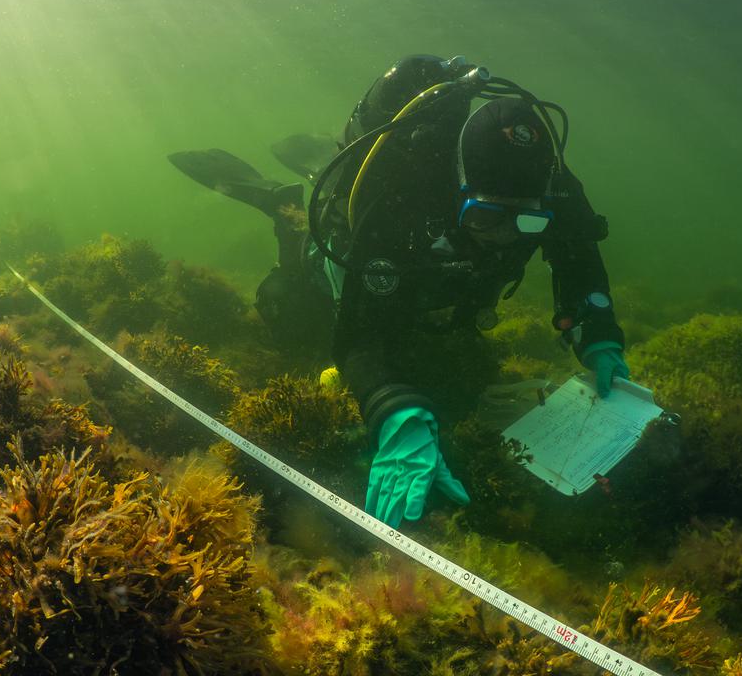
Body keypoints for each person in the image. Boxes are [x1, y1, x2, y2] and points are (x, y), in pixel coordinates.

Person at [168, 54, 629, 529]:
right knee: (295, 315)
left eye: (526, 221)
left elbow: (580, 259)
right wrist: (394, 411)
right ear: (459, 190)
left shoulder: (551, 186)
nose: (506, 236)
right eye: (488, 218)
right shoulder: (401, 194)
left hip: (439, 284)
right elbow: (359, 333)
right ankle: (281, 202)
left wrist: (598, 334)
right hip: (371, 250)